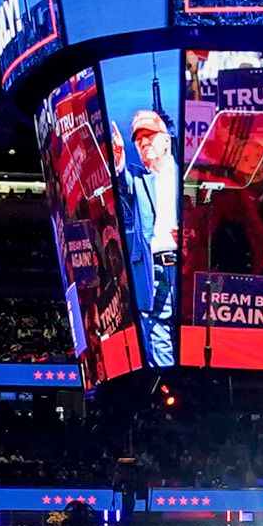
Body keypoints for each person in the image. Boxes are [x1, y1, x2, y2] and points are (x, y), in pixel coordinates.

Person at [116, 108, 181, 366]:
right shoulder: (138, 180)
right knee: (157, 330)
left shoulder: (186, 174)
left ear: (166, 140)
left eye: (149, 135)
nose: (143, 142)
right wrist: (119, 164)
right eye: (138, 139)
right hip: (153, 270)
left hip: (183, 266)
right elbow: (122, 184)